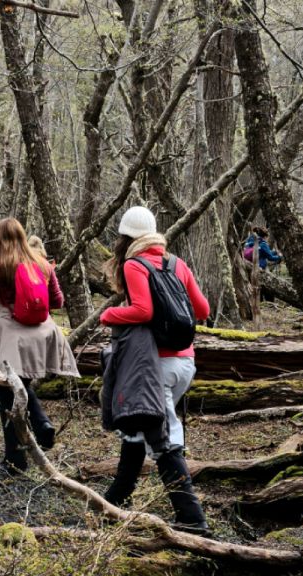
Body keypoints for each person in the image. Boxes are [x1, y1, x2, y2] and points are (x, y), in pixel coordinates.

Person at [99, 206, 211, 534]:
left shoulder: (136, 264)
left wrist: (109, 316)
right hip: (185, 363)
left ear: (125, 237)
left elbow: (142, 310)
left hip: (155, 366)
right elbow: (202, 310)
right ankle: (116, 500)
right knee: (138, 428)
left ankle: (191, 517)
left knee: (162, 436)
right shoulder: (177, 263)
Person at [0, 218, 79, 474]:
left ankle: (17, 457)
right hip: (43, 332)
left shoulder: (0, 265)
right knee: (13, 387)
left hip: (12, 332)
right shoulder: (43, 264)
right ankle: (32, 436)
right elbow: (57, 301)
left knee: (5, 389)